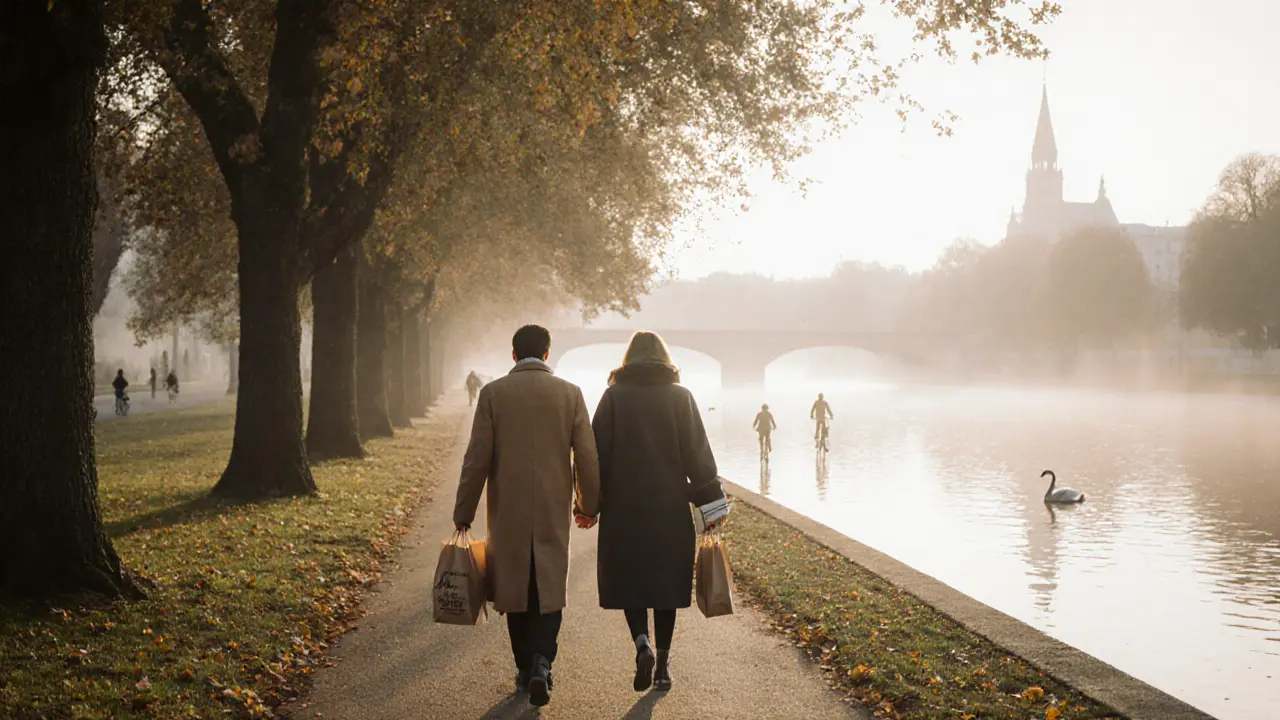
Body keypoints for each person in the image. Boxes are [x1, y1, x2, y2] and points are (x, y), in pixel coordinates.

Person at [453, 325, 599, 708]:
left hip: (508, 508)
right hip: (552, 507)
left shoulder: (493, 393)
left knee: (513, 588)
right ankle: (542, 662)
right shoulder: (570, 393)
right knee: (549, 588)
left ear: (514, 354)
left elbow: (477, 458)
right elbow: (587, 457)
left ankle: (523, 668)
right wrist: (587, 506)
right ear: (547, 354)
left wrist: (464, 510)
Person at [590, 331, 723, 693]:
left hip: (623, 508)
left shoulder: (613, 397)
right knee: (666, 584)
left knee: (630, 581)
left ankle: (641, 645)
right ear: (665, 359)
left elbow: (595, 456)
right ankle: (662, 665)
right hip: (670, 507)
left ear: (628, 359)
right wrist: (712, 504)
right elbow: (698, 456)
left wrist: (590, 504)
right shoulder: (681, 397)